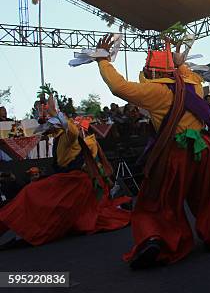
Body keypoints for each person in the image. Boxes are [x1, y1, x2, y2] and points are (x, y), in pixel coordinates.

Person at [95, 35, 210, 269]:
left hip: (177, 153)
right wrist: (179, 63)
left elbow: (119, 87)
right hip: (204, 149)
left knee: (158, 199)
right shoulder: (192, 84)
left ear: (153, 73)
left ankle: (158, 239)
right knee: (208, 196)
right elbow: (183, 73)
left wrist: (103, 61)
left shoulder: (154, 94)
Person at [0, 95, 130, 249]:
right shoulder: (58, 138)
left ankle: (25, 234)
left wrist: (56, 114)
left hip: (75, 181)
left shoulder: (68, 136)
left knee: (33, 194)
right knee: (33, 192)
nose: (48, 129)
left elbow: (73, 131)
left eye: (50, 126)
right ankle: (21, 233)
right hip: (67, 179)